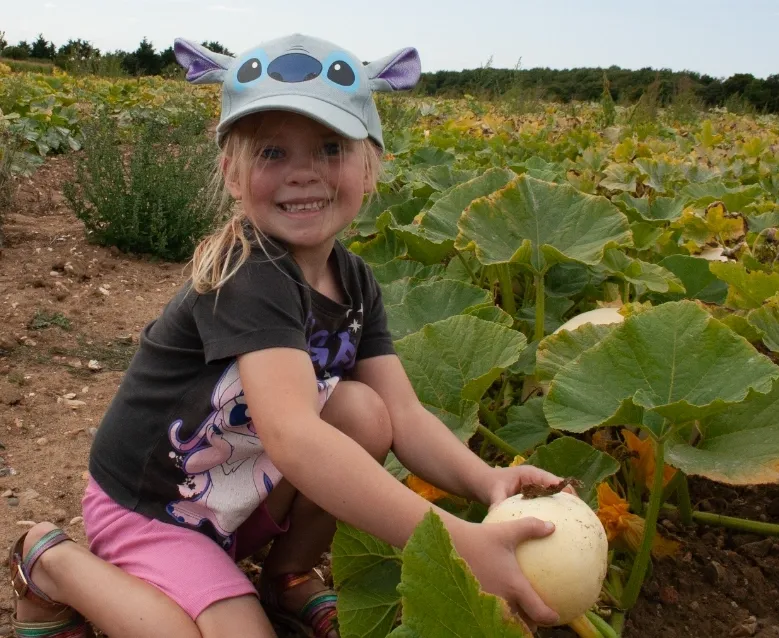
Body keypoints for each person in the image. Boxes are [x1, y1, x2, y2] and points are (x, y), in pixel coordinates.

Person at [8, 33, 571, 638]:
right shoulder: (248, 271)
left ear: (370, 163)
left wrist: (487, 482)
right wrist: (457, 541)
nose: (304, 173)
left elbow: (404, 415)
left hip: (236, 493)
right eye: (273, 152)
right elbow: (295, 437)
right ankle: (51, 561)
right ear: (231, 172)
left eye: (330, 148)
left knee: (365, 412)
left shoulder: (353, 280)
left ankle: (288, 576)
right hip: (154, 509)